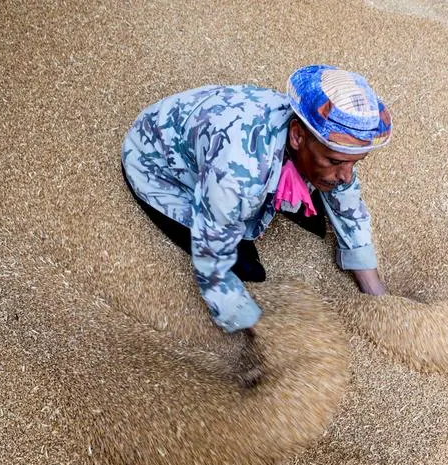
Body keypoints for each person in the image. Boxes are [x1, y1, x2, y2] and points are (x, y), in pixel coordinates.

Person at [121, 65, 392, 386]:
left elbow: (347, 198)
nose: (346, 174)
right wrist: (260, 333)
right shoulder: (238, 173)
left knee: (323, 205)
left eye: (354, 163)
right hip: (159, 166)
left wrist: (376, 292)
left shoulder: (320, 140)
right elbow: (213, 257)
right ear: (297, 135)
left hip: (227, 145)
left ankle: (299, 181)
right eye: (335, 161)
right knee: (248, 268)